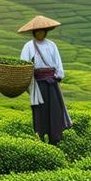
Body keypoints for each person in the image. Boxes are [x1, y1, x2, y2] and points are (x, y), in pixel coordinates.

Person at [19, 15, 71, 145]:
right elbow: (24, 65)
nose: (41, 34)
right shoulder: (28, 46)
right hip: (37, 84)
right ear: (34, 32)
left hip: (51, 83)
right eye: (38, 31)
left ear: (46, 32)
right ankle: (40, 137)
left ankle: (55, 138)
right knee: (40, 111)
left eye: (43, 31)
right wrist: (26, 82)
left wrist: (59, 75)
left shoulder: (51, 45)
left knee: (54, 110)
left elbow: (58, 64)